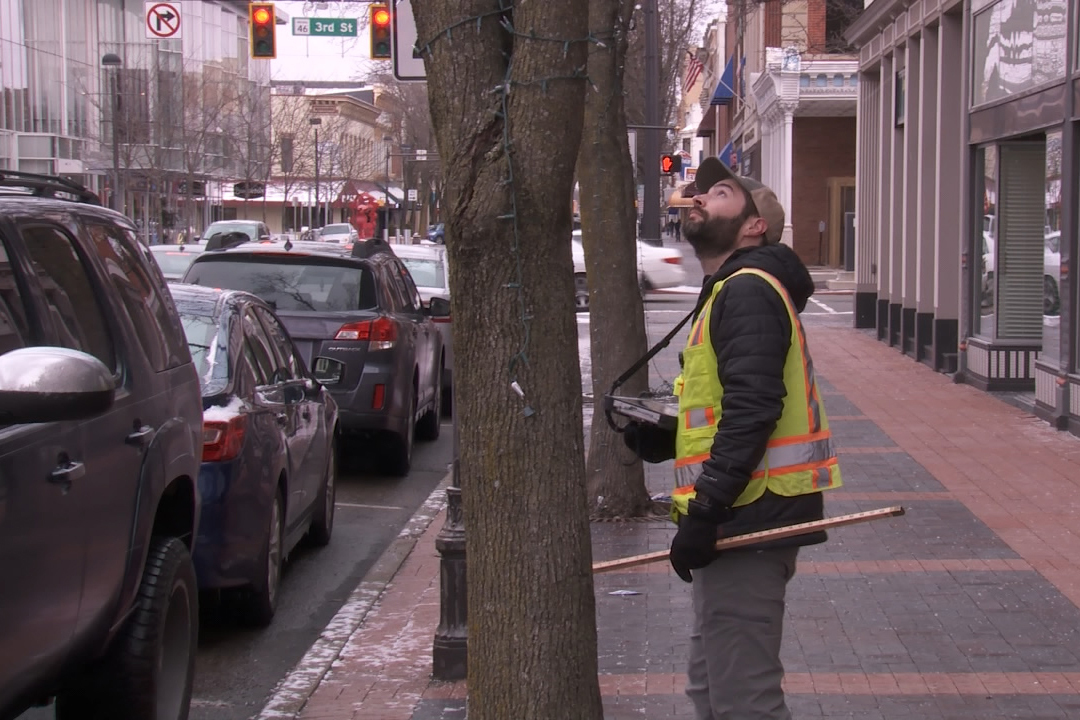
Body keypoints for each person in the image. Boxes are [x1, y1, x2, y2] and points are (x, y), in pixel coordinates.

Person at [623, 156, 842, 720]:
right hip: (740, 518)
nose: (698, 199)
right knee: (714, 691)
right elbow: (733, 405)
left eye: (719, 193)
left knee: (744, 701)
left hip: (749, 520)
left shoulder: (746, 291)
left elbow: (754, 410)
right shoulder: (730, 291)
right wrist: (667, 437)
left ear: (754, 225)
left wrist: (706, 510)